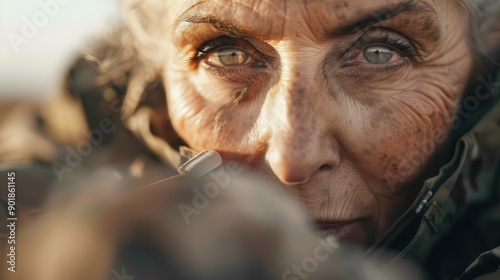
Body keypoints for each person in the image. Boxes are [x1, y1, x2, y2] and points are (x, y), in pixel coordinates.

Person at [1, 0, 499, 279]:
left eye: (379, 53)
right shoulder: (94, 122)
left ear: (485, 64)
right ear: (157, 74)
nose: (292, 157)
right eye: (229, 56)